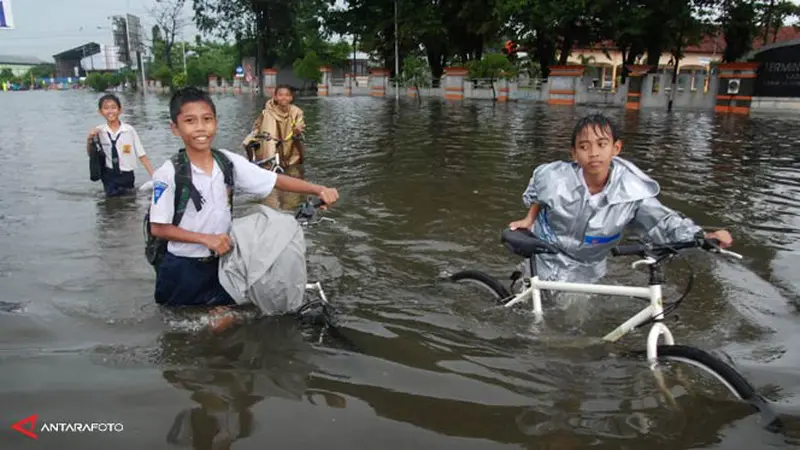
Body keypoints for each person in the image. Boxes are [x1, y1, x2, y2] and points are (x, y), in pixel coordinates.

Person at [148, 87, 339, 315]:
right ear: (175, 128)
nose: (200, 127)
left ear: (215, 123)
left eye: (207, 119)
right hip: (183, 267)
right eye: (190, 121)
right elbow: (158, 228)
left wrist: (318, 189)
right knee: (183, 325)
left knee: (227, 321)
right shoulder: (167, 173)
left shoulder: (227, 162)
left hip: (223, 264)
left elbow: (275, 179)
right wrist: (205, 239)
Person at [508, 113, 733, 283]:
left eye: (601, 144)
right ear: (574, 154)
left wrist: (703, 236)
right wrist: (529, 219)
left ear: (616, 148)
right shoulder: (554, 176)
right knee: (531, 309)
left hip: (590, 265)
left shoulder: (632, 192)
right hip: (547, 254)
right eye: (584, 147)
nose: (593, 153)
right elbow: (538, 193)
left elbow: (662, 221)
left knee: (574, 321)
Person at [86, 94, 155, 196]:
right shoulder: (99, 131)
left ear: (120, 110)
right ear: (100, 112)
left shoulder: (129, 130)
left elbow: (142, 155)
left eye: (113, 107)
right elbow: (91, 154)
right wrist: (89, 139)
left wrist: (155, 177)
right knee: (111, 202)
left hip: (127, 174)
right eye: (106, 108)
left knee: (129, 201)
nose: (110, 111)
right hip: (108, 174)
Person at [241, 84, 306, 169]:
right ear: (275, 97)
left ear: (291, 98)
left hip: (289, 142)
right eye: (280, 95)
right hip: (270, 139)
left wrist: (297, 130)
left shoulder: (297, 112)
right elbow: (260, 126)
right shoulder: (268, 112)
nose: (284, 98)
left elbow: (300, 124)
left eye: (287, 95)